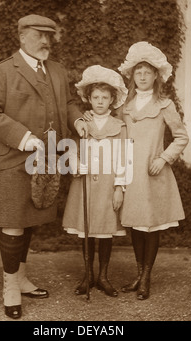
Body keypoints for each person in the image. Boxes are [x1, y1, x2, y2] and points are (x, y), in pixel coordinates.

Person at [0, 14, 87, 319]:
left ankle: (22, 278)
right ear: (22, 36)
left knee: (28, 222)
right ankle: (10, 287)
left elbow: (66, 104)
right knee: (13, 224)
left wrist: (77, 119)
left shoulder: (57, 70)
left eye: (49, 36)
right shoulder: (2, 71)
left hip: (46, 161)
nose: (45, 42)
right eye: (39, 35)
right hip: (13, 159)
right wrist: (23, 137)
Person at [117, 41, 189, 300]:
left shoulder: (164, 105)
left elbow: (181, 137)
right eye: (138, 71)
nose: (143, 76)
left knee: (151, 227)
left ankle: (147, 276)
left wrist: (164, 158)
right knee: (136, 226)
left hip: (153, 173)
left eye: (148, 71)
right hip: (130, 174)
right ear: (132, 76)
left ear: (156, 75)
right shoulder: (124, 106)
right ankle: (138, 274)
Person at [62, 65, 130, 297]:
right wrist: (75, 163)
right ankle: (88, 275)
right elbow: (72, 149)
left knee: (105, 232)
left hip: (108, 186)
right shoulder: (83, 124)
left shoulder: (119, 126)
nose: (100, 101)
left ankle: (103, 275)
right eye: (96, 97)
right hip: (86, 186)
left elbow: (124, 158)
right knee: (88, 231)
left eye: (105, 97)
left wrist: (119, 187)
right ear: (88, 99)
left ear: (112, 100)